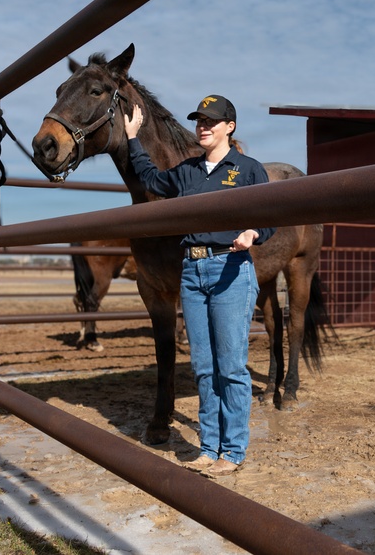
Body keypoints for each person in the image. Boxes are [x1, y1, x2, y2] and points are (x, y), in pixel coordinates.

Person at [124, 94, 275, 477]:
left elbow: (274, 215)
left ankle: (234, 449)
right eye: (199, 121)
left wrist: (254, 233)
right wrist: (131, 139)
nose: (203, 127)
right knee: (203, 366)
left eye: (211, 121)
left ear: (230, 126)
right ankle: (209, 446)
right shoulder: (188, 171)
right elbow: (150, 179)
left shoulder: (247, 169)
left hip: (229, 268)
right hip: (192, 272)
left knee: (231, 367)